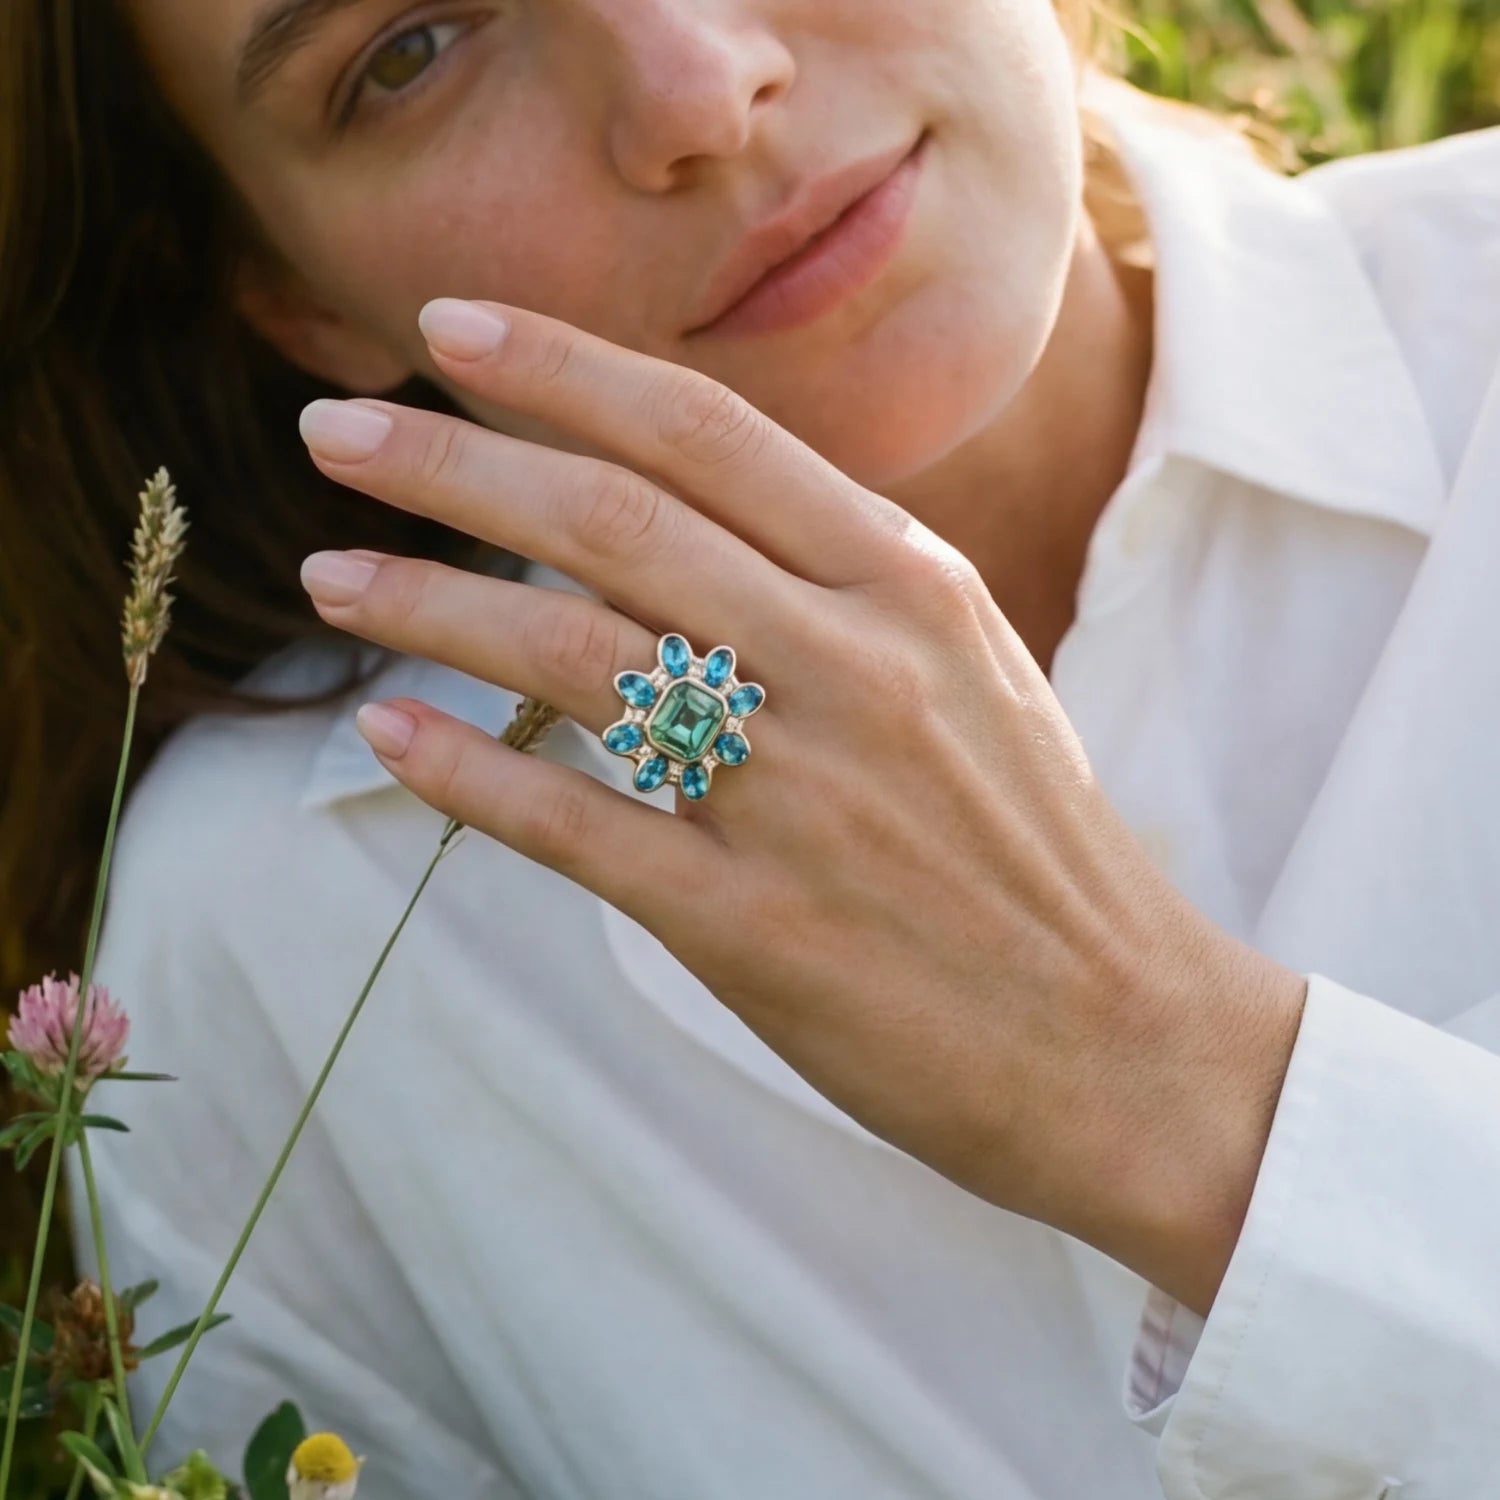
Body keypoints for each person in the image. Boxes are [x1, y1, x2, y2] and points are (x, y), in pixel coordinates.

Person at [1, 1, 1496, 1497]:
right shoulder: (285, 946)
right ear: (292, 290)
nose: (700, 93)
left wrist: (1176, 1091)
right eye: (411, 52)